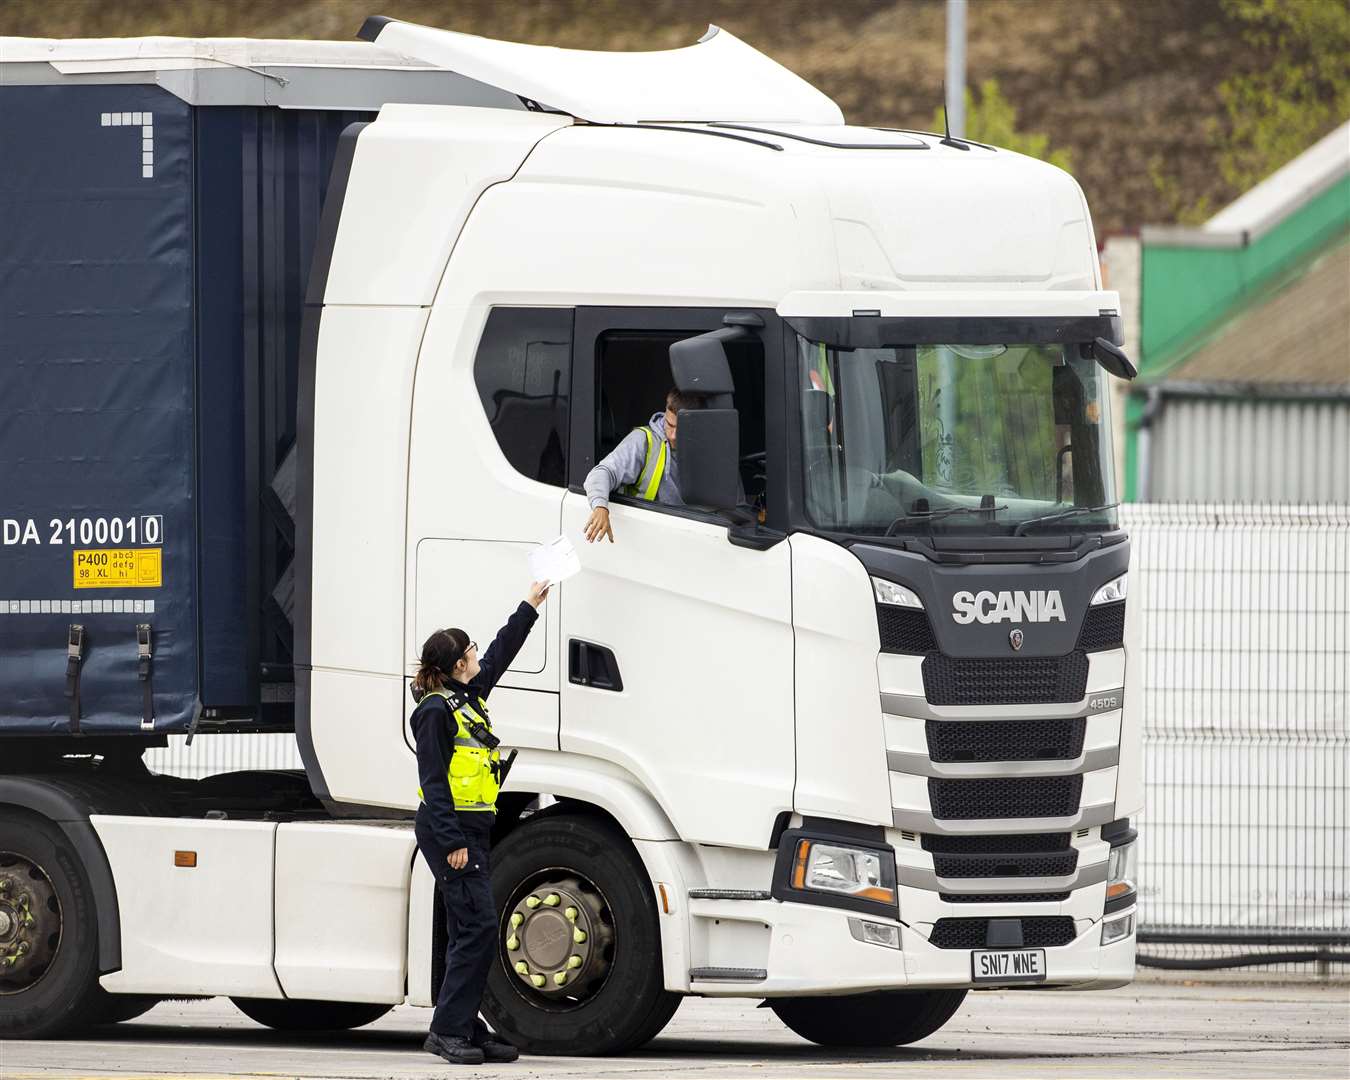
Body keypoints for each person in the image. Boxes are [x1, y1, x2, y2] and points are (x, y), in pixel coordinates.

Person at [410, 581, 550, 1066]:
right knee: (478, 927)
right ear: (454, 668)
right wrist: (451, 842)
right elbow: (432, 782)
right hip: (449, 832)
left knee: (468, 927)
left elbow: (501, 652)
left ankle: (465, 1024)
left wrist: (528, 607)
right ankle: (447, 1030)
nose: (476, 655)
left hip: (473, 830)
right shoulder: (434, 714)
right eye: (469, 651)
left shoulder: (466, 697)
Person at [583, 387, 704, 543]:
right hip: (649, 538)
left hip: (693, 536)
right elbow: (602, 472)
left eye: (682, 429)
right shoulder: (644, 441)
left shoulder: (706, 448)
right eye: (669, 424)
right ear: (665, 412)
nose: (673, 436)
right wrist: (600, 507)